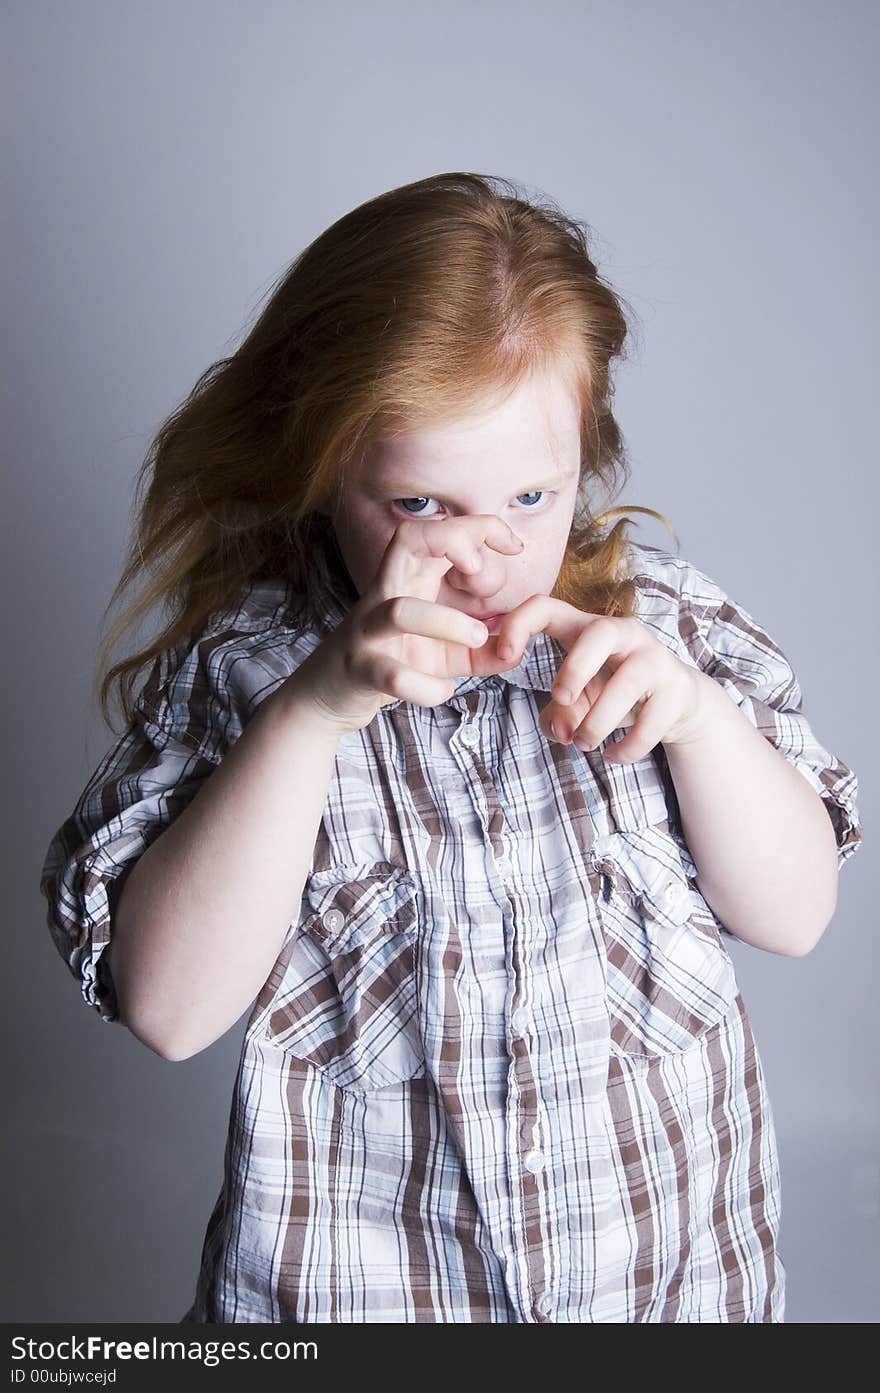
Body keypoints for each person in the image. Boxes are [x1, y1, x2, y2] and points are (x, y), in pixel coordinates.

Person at [39, 171, 862, 1323]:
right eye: (420, 505)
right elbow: (168, 1012)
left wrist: (696, 720)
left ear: (587, 445)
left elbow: (797, 913)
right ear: (323, 468)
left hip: (669, 1289)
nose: (484, 557)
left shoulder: (658, 633)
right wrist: (314, 711)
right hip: (362, 1297)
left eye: (531, 494)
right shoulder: (253, 673)